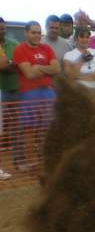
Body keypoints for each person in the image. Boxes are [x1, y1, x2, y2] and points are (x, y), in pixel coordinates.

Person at [12, 21, 59, 169]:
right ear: (26, 33)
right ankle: (22, 161)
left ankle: (42, 159)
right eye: (33, 32)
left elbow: (56, 69)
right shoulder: (20, 49)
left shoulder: (47, 48)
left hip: (47, 93)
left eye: (39, 32)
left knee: (46, 128)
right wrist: (46, 68)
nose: (37, 35)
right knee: (27, 129)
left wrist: (38, 67)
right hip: (29, 94)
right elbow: (29, 74)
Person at [0, 17, 21, 178]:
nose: (2, 30)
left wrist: (11, 63)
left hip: (14, 89)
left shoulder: (13, 43)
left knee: (16, 125)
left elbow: (20, 63)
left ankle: (18, 160)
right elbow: (3, 65)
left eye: (3, 28)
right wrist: (13, 63)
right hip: (3, 90)